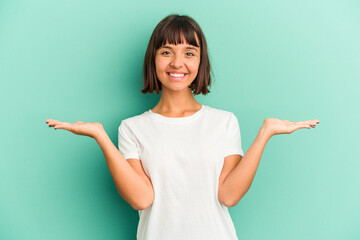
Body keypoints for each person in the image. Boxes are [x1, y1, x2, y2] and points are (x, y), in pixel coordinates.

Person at [45, 14, 319, 240]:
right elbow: (141, 199)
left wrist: (264, 134)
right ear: (153, 59)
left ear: (201, 62)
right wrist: (101, 137)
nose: (177, 63)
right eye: (167, 52)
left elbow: (229, 195)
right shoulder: (131, 128)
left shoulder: (224, 121)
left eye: (189, 52)